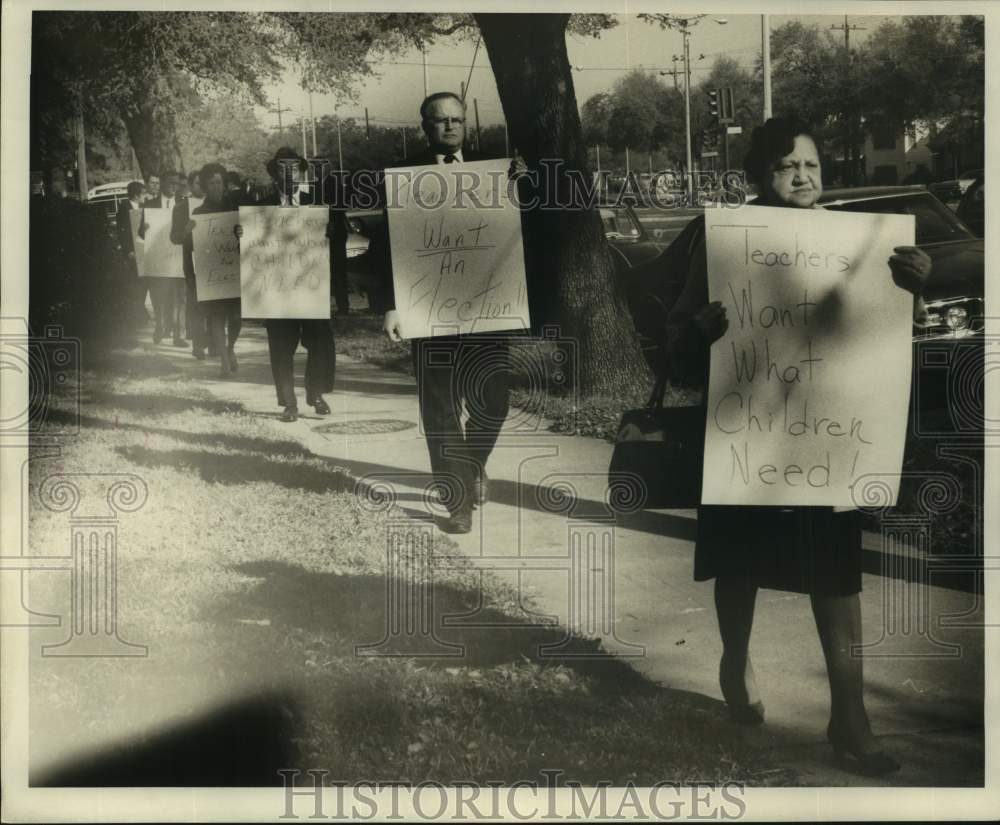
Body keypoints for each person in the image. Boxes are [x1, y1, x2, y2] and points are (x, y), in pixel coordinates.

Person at [664, 118, 931, 777]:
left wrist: (913, 293)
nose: (804, 176)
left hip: (830, 435)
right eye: (787, 166)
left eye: (811, 164)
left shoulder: (856, 244)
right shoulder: (723, 236)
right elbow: (674, 339)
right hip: (747, 432)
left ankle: (850, 715)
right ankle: (735, 658)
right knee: (738, 559)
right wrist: (696, 328)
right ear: (760, 175)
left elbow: (881, 334)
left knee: (837, 569)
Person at [377, 91, 514, 534]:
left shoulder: (496, 171)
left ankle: (472, 465)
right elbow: (387, 248)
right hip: (427, 306)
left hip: (486, 306)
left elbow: (525, 228)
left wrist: (524, 184)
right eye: (440, 121)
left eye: (457, 120)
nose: (450, 128)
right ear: (425, 126)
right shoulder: (403, 176)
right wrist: (390, 305)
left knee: (493, 401)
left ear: (466, 124)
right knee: (439, 406)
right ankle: (457, 501)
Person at [243, 147, 337, 422]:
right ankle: (289, 404)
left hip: (310, 286)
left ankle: (316, 392)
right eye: (282, 167)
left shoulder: (317, 202)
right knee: (281, 345)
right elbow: (251, 248)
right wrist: (242, 234)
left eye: (294, 167)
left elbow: (337, 238)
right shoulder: (261, 209)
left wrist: (331, 233)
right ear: (274, 174)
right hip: (277, 289)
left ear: (301, 172)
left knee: (321, 341)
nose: (289, 172)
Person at [178, 163, 242, 377]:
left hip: (236, 273)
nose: (216, 187)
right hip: (211, 276)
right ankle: (224, 360)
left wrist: (243, 231)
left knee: (236, 318)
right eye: (212, 183)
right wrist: (188, 234)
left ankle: (230, 346)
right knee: (216, 317)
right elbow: (189, 249)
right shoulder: (198, 213)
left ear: (224, 184)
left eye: (219, 183)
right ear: (205, 186)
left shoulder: (235, 208)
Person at [141, 170, 185, 346]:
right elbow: (140, 234)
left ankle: (179, 334)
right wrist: (143, 228)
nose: (174, 187)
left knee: (180, 296)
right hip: (159, 258)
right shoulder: (150, 205)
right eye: (170, 183)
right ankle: (160, 324)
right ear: (162, 184)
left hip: (179, 257)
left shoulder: (184, 204)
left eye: (177, 184)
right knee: (159, 295)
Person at [171, 171, 210, 359]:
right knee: (195, 304)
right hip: (193, 263)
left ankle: (214, 342)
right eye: (197, 183)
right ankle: (198, 344)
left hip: (214, 261)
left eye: (203, 184)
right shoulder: (180, 208)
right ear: (191, 186)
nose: (200, 187)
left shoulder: (215, 204)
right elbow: (174, 238)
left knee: (214, 304)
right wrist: (186, 231)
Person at [116, 181, 147, 323]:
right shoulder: (123, 208)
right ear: (136, 195)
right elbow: (122, 232)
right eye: (143, 193)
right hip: (132, 252)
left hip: (143, 249)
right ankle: (137, 312)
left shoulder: (144, 207)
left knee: (144, 282)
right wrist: (128, 250)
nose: (144, 196)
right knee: (135, 283)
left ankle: (140, 310)